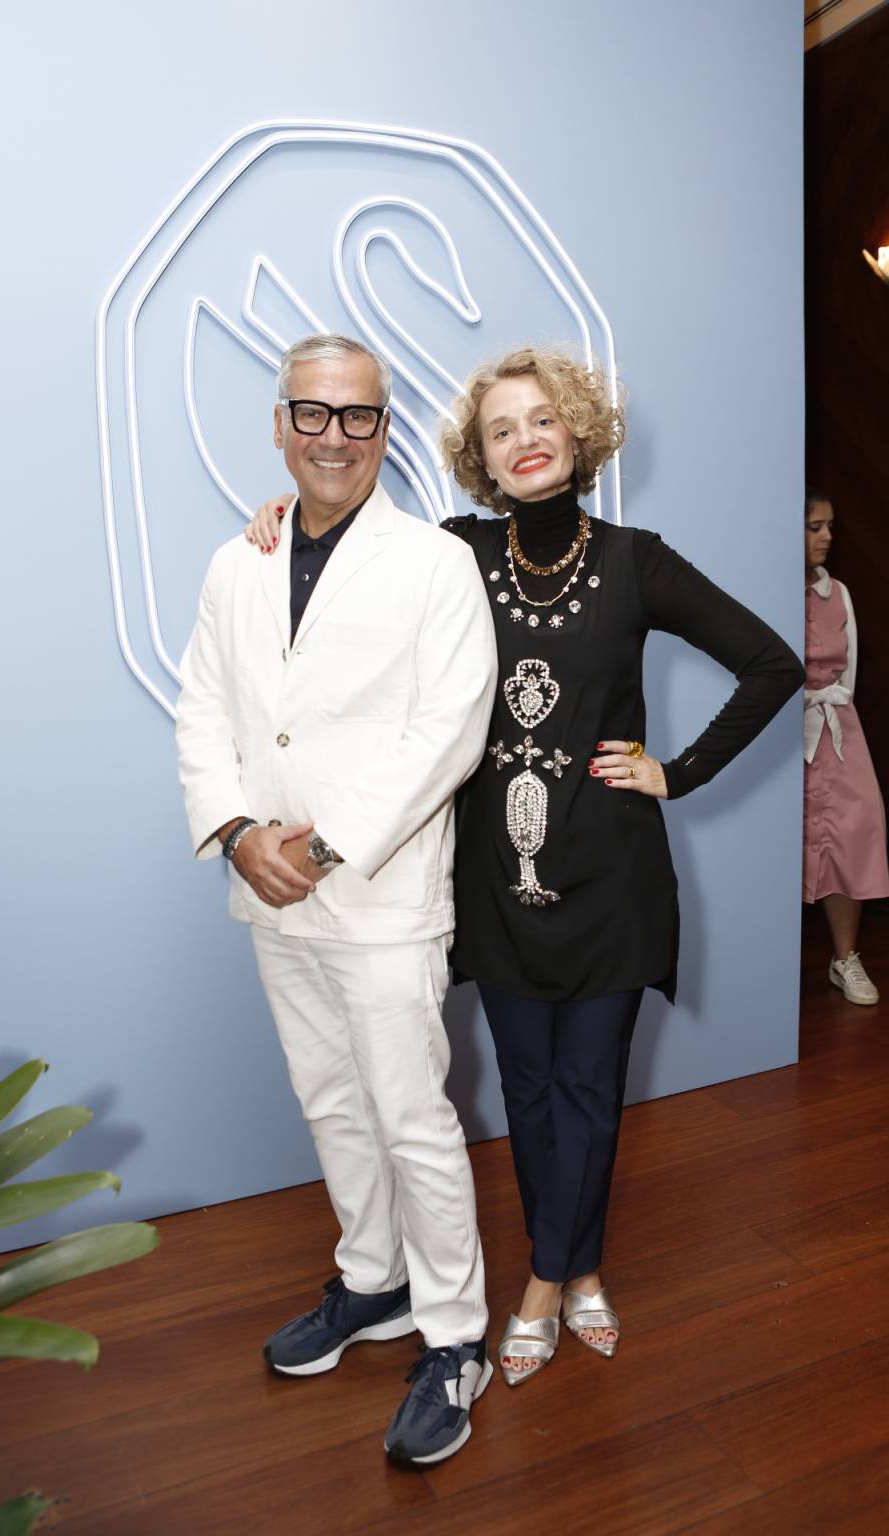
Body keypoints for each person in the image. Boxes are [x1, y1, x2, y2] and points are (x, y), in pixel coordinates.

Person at [245, 343, 803, 1386]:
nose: (525, 440)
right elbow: (345, 551)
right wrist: (275, 527)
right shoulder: (449, 552)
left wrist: (675, 773)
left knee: (588, 1091)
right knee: (531, 1089)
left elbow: (773, 661)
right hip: (491, 882)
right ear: (482, 459)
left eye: (541, 419)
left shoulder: (638, 560)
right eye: (502, 430)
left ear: (575, 432)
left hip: (611, 883)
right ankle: (576, 1263)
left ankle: (552, 1279)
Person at [176, 333, 498, 1465]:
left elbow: (445, 732)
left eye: (356, 416)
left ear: (384, 428)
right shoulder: (237, 560)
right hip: (267, 887)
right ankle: (375, 1281)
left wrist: (318, 851)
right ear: (279, 424)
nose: (332, 436)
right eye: (310, 414)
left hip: (378, 891)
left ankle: (456, 1334)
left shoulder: (432, 564)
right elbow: (204, 710)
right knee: (330, 1100)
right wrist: (232, 832)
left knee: (412, 1117)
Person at [803, 487, 888, 1003]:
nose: (828, 536)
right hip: (784, 728)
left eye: (830, 525)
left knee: (855, 829)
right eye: (815, 526)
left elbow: (848, 673)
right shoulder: (767, 587)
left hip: (836, 726)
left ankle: (844, 958)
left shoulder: (841, 595)